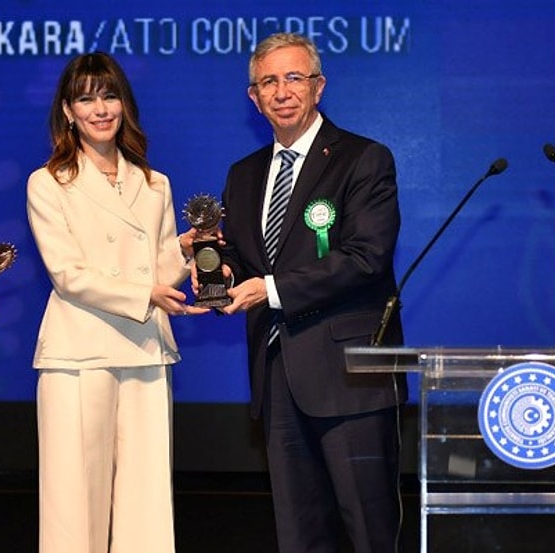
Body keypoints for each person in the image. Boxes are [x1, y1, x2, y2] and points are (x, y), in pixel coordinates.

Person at [216, 32, 407, 552]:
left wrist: (269, 289)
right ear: (253, 98)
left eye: (294, 77)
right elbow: (240, 255)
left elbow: (366, 258)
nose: (282, 91)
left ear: (318, 86)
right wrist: (223, 274)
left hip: (351, 380)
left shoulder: (364, 159)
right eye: (268, 82)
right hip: (278, 379)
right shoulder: (243, 174)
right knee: (298, 536)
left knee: (369, 531)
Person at [26, 52, 206, 553]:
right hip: (79, 352)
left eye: (109, 96)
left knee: (147, 504)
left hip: (146, 347)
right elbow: (68, 275)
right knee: (73, 504)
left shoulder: (154, 183)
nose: (100, 108)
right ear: (67, 111)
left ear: (124, 104)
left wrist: (189, 254)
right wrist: (145, 292)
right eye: (86, 98)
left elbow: (161, 267)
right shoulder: (48, 182)